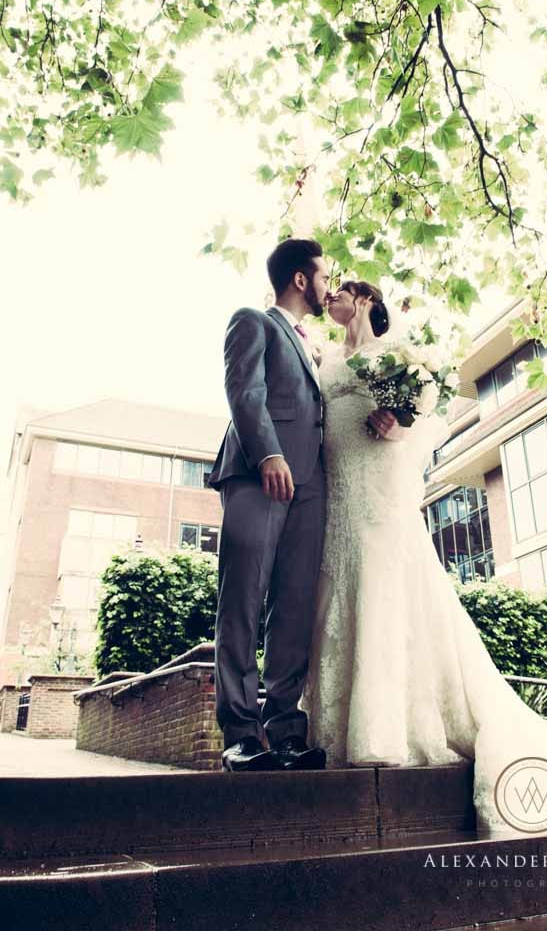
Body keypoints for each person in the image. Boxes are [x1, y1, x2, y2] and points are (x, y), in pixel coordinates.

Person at [300, 279, 547, 833]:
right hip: (340, 495)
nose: (328, 298)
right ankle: (337, 729)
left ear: (365, 301)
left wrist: (400, 424)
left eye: (339, 292)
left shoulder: (398, 355)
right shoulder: (328, 358)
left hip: (379, 488)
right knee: (341, 589)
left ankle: (381, 731)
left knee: (385, 587)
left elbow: (430, 418)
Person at [207, 238, 331, 772]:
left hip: (309, 489)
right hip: (260, 475)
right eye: (325, 275)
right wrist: (268, 455)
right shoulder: (252, 321)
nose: (329, 285)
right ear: (301, 279)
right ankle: (240, 734)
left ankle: (284, 730)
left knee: (295, 607)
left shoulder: (312, 345)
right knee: (242, 600)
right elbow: (245, 392)